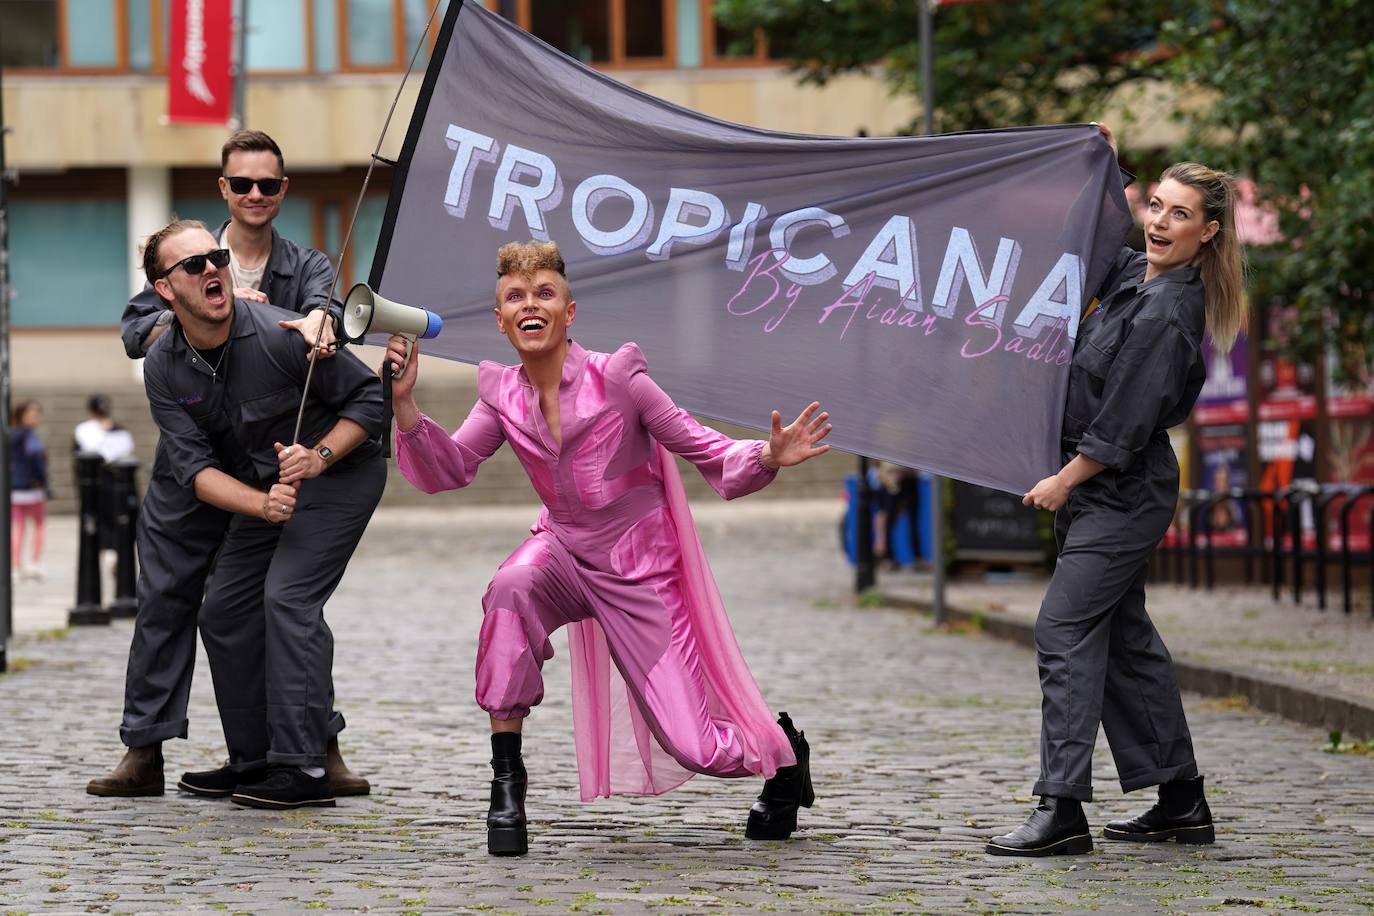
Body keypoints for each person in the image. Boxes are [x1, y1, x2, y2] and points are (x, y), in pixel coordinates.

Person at [391, 240, 832, 856]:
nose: (530, 305)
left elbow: (698, 443)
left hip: (639, 568)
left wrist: (763, 453)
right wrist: (406, 404)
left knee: (693, 745)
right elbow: (453, 466)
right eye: (515, 297)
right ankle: (507, 785)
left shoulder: (620, 378)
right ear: (500, 320)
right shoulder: (501, 394)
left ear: (569, 312)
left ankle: (783, 756)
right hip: (563, 552)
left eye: (544, 293)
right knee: (510, 591)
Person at [986, 129, 1247, 856]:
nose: (1160, 222)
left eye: (1179, 214)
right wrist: (1100, 163)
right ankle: (1182, 800)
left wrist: (1061, 482)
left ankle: (1060, 807)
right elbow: (1097, 235)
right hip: (1103, 493)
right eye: (1155, 206)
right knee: (1124, 641)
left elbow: (1124, 426)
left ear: (1209, 231)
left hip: (1119, 493)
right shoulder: (1138, 277)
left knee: (1064, 631)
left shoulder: (1168, 314)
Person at [89, 129, 363, 798]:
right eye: (242, 183)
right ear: (223, 189)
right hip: (194, 459)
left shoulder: (309, 264)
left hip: (273, 456)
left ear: (283, 190)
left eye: (268, 184)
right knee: (165, 599)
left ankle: (314, 745)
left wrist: (306, 322)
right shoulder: (185, 254)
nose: (255, 195)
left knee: (286, 603)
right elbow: (134, 332)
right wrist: (200, 316)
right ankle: (144, 748)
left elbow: (329, 320)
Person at [124, 219, 386, 808]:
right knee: (223, 609)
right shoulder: (164, 365)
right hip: (271, 486)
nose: (213, 268)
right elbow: (195, 473)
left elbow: (372, 397)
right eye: (193, 265)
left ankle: (305, 768)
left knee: (288, 598)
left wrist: (319, 457)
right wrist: (263, 504)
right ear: (165, 291)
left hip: (342, 472)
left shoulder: (282, 333)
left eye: (215, 257)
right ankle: (256, 759)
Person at [73, 394, 136, 573]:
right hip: (99, 481)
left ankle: (117, 553)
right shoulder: (85, 430)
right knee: (101, 519)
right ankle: (111, 553)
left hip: (118, 481)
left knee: (122, 518)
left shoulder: (119, 430)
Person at [10, 401, 49, 582]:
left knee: (18, 528)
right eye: (32, 415)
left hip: (15, 488)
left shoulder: (11, 435)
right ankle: (33, 561)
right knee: (38, 526)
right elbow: (36, 459)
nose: (35, 418)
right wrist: (43, 481)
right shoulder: (29, 436)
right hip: (32, 486)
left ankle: (16, 565)